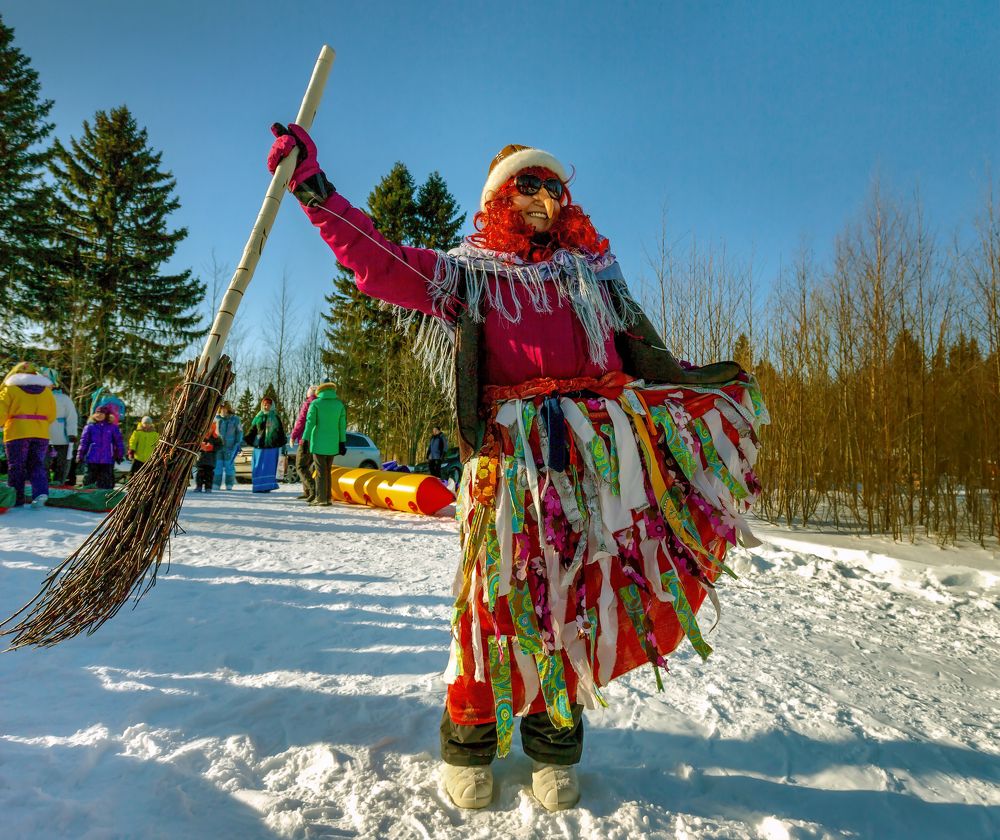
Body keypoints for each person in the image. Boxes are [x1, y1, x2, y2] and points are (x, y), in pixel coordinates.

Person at [267, 127, 767, 811]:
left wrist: (706, 389)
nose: (544, 197)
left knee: (575, 600)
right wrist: (315, 191)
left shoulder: (595, 276)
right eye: (528, 184)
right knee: (494, 602)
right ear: (499, 198)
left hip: (588, 469)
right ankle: (469, 742)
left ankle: (555, 746)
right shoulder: (467, 274)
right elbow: (380, 262)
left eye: (555, 187)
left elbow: (648, 357)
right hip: (507, 467)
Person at [0, 362, 57, 507]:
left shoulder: (10, 389)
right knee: (36, 464)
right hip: (41, 433)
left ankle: (16, 498)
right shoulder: (46, 392)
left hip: (17, 432)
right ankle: (40, 493)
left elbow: (1, 411)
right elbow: (52, 415)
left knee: (16, 466)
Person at [302, 382, 346, 507]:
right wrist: (342, 442)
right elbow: (342, 426)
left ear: (319, 391)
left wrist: (305, 439)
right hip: (333, 443)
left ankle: (321, 498)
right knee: (327, 470)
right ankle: (327, 497)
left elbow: (310, 423)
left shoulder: (316, 403)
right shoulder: (339, 405)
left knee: (320, 471)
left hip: (318, 443)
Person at [40, 368, 78, 487]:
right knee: (43, 461)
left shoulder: (63, 399)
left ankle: (59, 480)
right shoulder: (37, 397)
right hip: (42, 434)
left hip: (61, 436)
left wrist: (72, 433)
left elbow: (71, 416)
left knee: (62, 461)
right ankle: (43, 481)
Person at [243, 397, 286, 493]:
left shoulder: (275, 417)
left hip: (272, 446)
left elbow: (280, 431)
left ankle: (267, 486)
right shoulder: (258, 417)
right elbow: (253, 429)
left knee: (269, 467)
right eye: (265, 405)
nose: (267, 407)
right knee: (258, 466)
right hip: (259, 445)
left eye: (269, 405)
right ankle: (258, 486)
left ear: (272, 406)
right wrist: (247, 438)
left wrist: (282, 442)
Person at [77, 405, 124, 490]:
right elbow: (83, 442)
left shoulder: (113, 427)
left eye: (102, 413)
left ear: (106, 415)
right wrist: (80, 454)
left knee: (106, 482)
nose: (99, 415)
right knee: (89, 480)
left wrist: (119, 454)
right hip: (92, 458)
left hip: (107, 459)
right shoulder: (89, 427)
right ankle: (87, 495)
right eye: (97, 413)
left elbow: (118, 442)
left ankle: (105, 495)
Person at [290, 385, 318, 502]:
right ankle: (307, 492)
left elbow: (301, 421)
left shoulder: (308, 403)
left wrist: (293, 436)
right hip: (317, 440)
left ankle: (312, 490)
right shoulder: (320, 404)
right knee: (308, 466)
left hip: (305, 439)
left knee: (300, 466)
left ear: (309, 394)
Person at [213, 402, 243, 490]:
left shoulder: (235, 419)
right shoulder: (216, 419)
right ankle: (216, 484)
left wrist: (237, 443)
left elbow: (239, 432)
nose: (223, 410)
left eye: (225, 408)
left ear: (228, 409)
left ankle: (229, 484)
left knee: (229, 466)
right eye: (221, 408)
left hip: (230, 448)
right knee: (217, 467)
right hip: (218, 448)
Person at [194, 424, 223, 493]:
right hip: (201, 459)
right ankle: (199, 486)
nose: (209, 430)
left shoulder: (216, 438)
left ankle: (208, 487)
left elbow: (220, 446)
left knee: (209, 474)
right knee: (200, 473)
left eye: (211, 428)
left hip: (211, 460)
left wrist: (212, 448)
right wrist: (201, 447)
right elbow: (195, 445)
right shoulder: (200, 437)